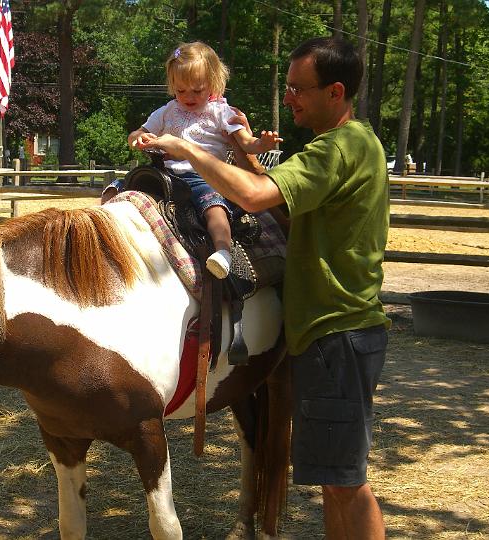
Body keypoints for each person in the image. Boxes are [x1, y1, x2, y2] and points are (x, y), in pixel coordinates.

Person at [141, 36, 390, 539]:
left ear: (336, 91)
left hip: (334, 332)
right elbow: (276, 199)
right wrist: (242, 151)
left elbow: (254, 198)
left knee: (347, 484)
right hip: (327, 333)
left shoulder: (338, 148)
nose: (288, 98)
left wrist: (187, 146)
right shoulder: (346, 146)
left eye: (299, 89)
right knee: (334, 483)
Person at [107, 41, 281, 279]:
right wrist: (139, 138)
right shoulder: (167, 110)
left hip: (204, 176)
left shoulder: (221, 112)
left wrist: (263, 144)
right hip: (166, 175)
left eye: (197, 90)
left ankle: (223, 251)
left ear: (213, 83)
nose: (187, 97)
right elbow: (135, 133)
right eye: (180, 91)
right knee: (117, 187)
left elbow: (246, 142)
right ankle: (101, 227)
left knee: (214, 207)